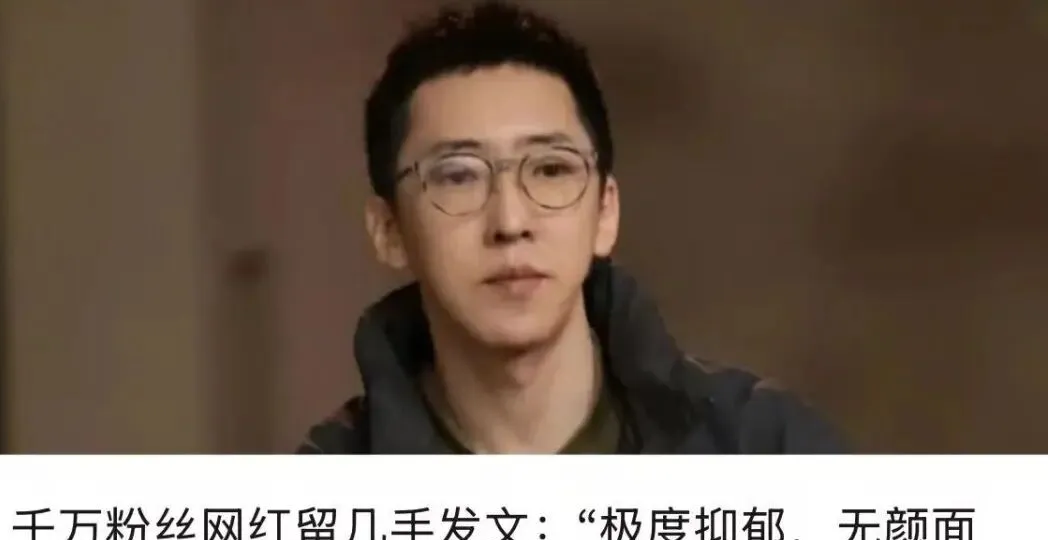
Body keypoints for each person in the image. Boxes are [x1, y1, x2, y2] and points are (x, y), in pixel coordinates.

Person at [298, 0, 848, 455]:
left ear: (605, 212)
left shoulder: (765, 449)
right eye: (459, 176)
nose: (511, 222)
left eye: (551, 169)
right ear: (389, 230)